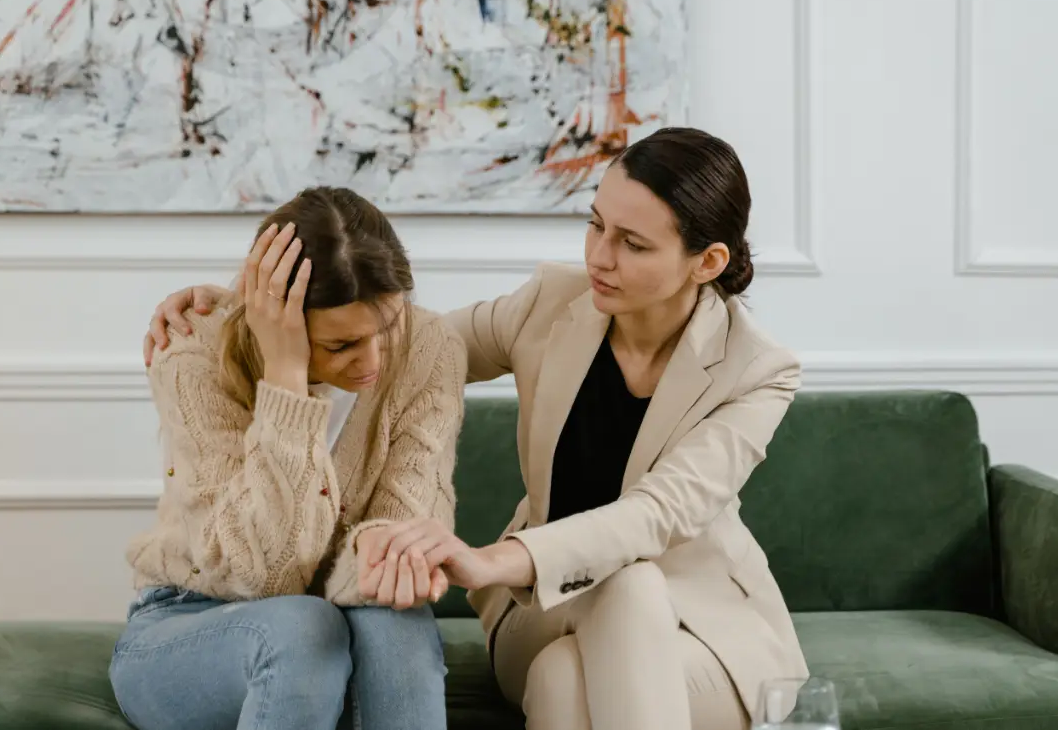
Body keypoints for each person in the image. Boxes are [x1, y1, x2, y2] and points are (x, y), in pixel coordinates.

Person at [143, 127, 807, 730]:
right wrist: (250, 310)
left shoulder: (758, 371)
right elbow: (397, 342)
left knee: (594, 635)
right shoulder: (554, 305)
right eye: (595, 225)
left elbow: (654, 515)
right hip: (544, 612)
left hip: (700, 633)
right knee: (587, 632)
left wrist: (489, 561)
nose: (600, 257)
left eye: (632, 244)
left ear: (707, 261)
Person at [114, 187, 464, 730]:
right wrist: (285, 377)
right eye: (341, 346)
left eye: (388, 329)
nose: (372, 362)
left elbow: (397, 557)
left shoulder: (430, 347)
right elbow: (262, 575)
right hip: (190, 620)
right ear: (277, 320)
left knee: (397, 623)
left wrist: (385, 555)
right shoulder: (192, 352)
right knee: (303, 627)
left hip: (339, 618)